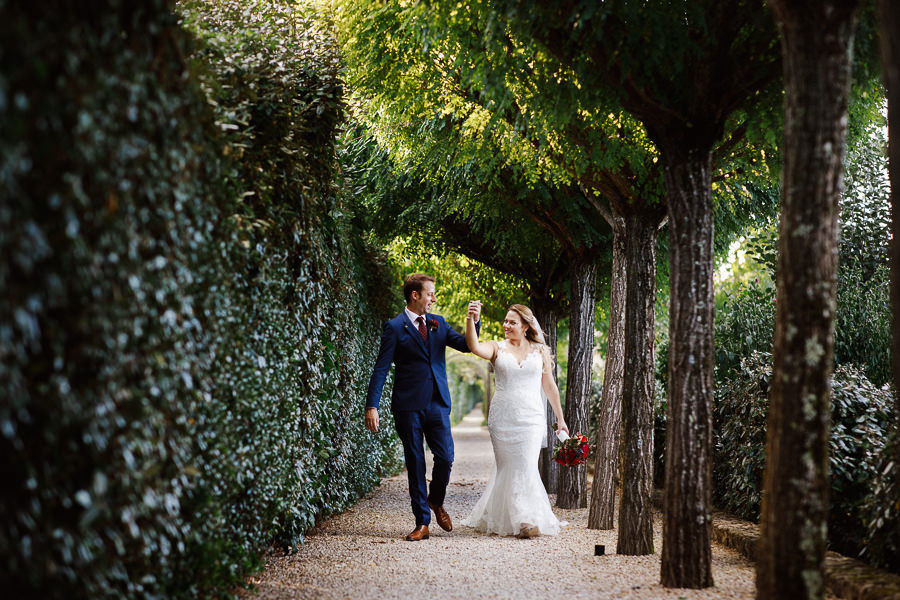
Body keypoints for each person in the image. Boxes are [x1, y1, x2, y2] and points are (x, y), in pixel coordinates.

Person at [365, 273, 479, 541]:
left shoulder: (438, 323)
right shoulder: (394, 327)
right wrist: (372, 406)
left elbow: (465, 345)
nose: (434, 298)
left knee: (446, 458)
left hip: (438, 403)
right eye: (430, 293)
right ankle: (422, 523)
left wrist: (474, 320)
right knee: (415, 463)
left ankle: (435, 499)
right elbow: (380, 370)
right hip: (408, 406)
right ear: (415, 295)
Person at [461, 302, 568, 538]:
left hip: (531, 418)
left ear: (526, 326)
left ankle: (525, 519)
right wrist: (471, 319)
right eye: (506, 321)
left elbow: (549, 386)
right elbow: (473, 346)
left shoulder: (539, 351)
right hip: (502, 418)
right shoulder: (496, 347)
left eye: (512, 322)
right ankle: (514, 516)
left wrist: (560, 419)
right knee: (508, 467)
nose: (506, 325)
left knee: (527, 465)